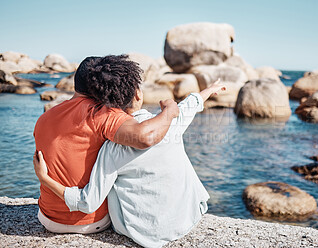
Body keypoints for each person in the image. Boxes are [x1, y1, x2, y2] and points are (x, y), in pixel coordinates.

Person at [34, 80, 226, 248]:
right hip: (185, 220)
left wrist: (45, 178)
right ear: (138, 95)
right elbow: (190, 105)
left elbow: (88, 202)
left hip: (141, 234)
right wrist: (210, 89)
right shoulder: (170, 121)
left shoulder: (112, 148)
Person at [34, 55, 179, 234]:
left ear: (75, 83)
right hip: (91, 222)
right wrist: (170, 111)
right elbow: (145, 137)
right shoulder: (101, 114)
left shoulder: (45, 117)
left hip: (47, 218)